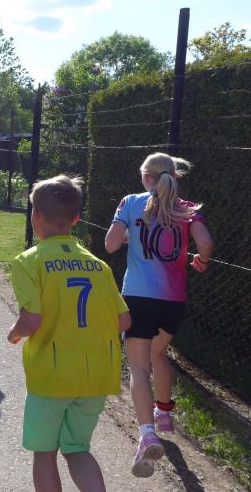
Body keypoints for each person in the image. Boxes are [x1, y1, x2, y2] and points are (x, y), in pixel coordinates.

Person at [9, 175, 131, 492]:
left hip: (52, 376)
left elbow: (31, 321)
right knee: (77, 448)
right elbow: (124, 321)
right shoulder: (99, 266)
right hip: (95, 377)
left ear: (35, 216)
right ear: (76, 219)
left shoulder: (29, 262)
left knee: (45, 453)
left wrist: (14, 333)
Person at [104, 152, 214, 478]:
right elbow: (205, 243)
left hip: (138, 296)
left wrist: (127, 233)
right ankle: (164, 412)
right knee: (159, 353)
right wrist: (202, 261)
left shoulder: (130, 203)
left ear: (146, 177)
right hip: (173, 299)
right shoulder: (187, 208)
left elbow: (110, 245)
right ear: (174, 177)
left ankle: (147, 435)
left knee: (138, 366)